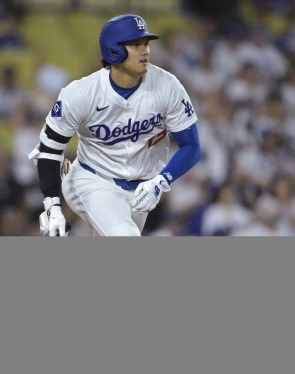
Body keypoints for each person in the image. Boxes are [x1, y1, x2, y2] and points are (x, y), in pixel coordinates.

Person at [29, 14, 201, 236]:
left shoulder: (167, 86)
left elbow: (191, 146)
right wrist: (52, 206)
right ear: (113, 51)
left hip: (142, 191)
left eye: (146, 44)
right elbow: (49, 150)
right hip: (92, 180)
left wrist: (161, 181)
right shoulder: (81, 93)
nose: (145, 50)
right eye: (135, 44)